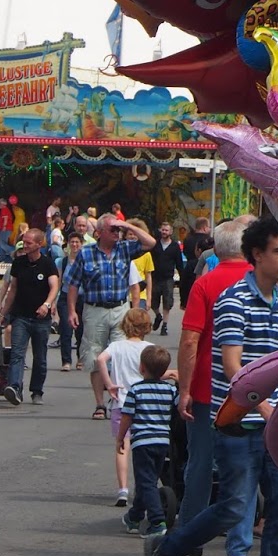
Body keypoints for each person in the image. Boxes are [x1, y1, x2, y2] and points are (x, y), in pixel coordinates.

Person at [146, 217, 278, 556]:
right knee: (234, 507)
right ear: (257, 255)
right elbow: (235, 369)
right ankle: (168, 551)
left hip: (277, 425)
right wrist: (266, 406)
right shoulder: (234, 301)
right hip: (237, 421)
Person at [174, 217, 250, 533]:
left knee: (201, 461)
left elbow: (191, 339)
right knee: (245, 462)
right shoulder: (260, 281)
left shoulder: (205, 284)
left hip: (207, 385)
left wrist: (185, 388)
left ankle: (192, 526)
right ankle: (240, 532)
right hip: (249, 386)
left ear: (216, 247)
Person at [63, 212, 155, 416]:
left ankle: (120, 401)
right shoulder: (86, 253)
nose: (117, 233)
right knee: (96, 357)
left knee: (120, 354)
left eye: (118, 229)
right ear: (99, 232)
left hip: (120, 308)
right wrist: (71, 311)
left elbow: (150, 242)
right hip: (95, 309)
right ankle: (99, 403)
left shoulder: (124, 249)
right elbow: (72, 284)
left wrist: (126, 224)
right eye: (113, 229)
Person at [96, 307, 155, 506]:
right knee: (146, 446)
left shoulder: (117, 346)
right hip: (145, 403)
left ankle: (122, 489)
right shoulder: (149, 348)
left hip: (121, 401)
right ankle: (144, 486)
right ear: (147, 327)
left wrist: (109, 383)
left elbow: (100, 359)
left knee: (122, 446)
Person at [119, 346, 180, 537]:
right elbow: (178, 410)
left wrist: (121, 437)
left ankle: (156, 521)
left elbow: (127, 417)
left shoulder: (136, 390)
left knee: (146, 482)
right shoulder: (170, 390)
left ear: (142, 368)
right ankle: (135, 516)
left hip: (142, 442)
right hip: (163, 441)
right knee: (149, 480)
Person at [0, 227, 60, 405]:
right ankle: (15, 388)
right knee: (17, 353)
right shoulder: (19, 263)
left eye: (29, 243)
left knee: (40, 357)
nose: (25, 245)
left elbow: (55, 286)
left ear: (39, 244)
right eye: (24, 242)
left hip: (41, 319)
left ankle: (37, 391)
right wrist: (4, 313)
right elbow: (13, 289)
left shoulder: (47, 264)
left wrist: (46, 304)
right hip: (21, 317)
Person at [57, 230, 86, 370]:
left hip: (82, 298)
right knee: (66, 329)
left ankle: (80, 358)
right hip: (65, 297)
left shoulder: (86, 261)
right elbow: (58, 281)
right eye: (72, 242)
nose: (74, 245)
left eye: (77, 242)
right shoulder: (62, 262)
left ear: (82, 244)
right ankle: (66, 361)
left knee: (81, 330)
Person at [150, 222, 181, 335]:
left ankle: (165, 325)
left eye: (166, 230)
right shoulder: (155, 245)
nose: (164, 232)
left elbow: (179, 263)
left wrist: (181, 277)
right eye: (163, 230)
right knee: (153, 302)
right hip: (155, 277)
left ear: (171, 232)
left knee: (167, 302)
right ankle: (158, 315)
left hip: (168, 278)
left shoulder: (174, 247)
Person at [180, 217, 212, 308]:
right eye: (209, 227)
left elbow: (185, 253)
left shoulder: (188, 239)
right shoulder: (209, 239)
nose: (209, 229)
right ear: (204, 227)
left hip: (190, 270)